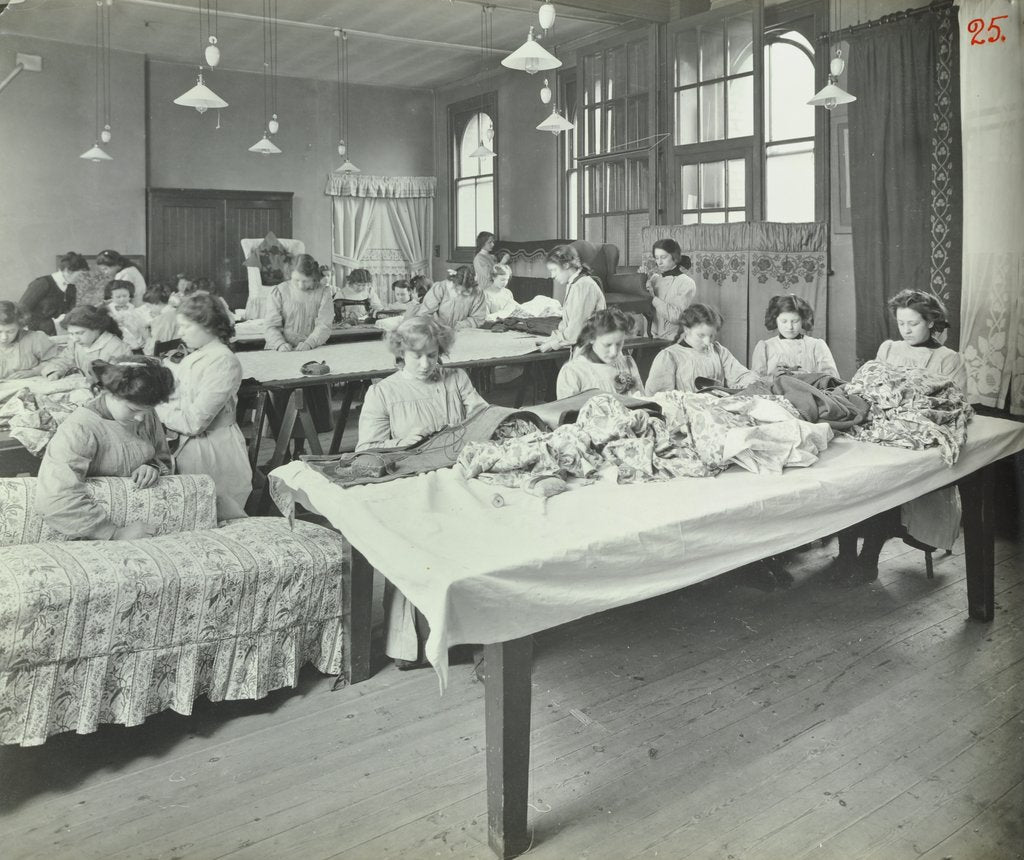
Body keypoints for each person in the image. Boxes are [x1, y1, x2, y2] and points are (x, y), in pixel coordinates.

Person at [358, 316, 488, 669]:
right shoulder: (383, 392)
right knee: (419, 553)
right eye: (417, 356)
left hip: (458, 478)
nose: (427, 364)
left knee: (469, 549)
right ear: (400, 353)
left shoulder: (456, 379)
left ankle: (465, 637)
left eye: (433, 355)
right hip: (410, 483)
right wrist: (403, 442)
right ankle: (411, 646)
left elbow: (482, 416)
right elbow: (366, 452)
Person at [830, 289, 968, 584]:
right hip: (879, 428)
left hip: (915, 440)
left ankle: (868, 560)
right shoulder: (889, 349)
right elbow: (871, 387)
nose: (905, 330)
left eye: (913, 323)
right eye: (901, 323)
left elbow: (950, 405)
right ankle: (845, 554)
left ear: (931, 322)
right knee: (850, 478)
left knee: (884, 485)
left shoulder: (948, 359)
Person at [35, 357, 174, 540]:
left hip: (143, 525)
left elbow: (163, 458)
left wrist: (152, 466)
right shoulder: (80, 428)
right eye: (132, 410)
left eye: (146, 410)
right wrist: (113, 533)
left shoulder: (144, 411)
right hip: (93, 533)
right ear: (107, 393)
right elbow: (54, 498)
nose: (141, 419)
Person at [156, 292, 252, 520]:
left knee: (220, 514)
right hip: (190, 446)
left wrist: (154, 407)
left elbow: (194, 422)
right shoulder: (196, 356)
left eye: (186, 327)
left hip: (214, 449)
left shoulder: (223, 361)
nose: (180, 333)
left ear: (208, 326)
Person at [645, 303, 758, 395]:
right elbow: (658, 398)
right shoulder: (669, 357)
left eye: (711, 336)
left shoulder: (718, 351)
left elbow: (743, 376)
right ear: (687, 329)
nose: (708, 342)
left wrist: (748, 383)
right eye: (701, 335)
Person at [556, 307, 646, 399]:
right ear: (591, 339)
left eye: (619, 343)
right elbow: (568, 411)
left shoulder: (627, 364)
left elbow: (641, 400)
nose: (614, 352)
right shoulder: (573, 372)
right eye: (607, 345)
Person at [750, 294, 839, 379]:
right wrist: (772, 377)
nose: (790, 327)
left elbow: (833, 380)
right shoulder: (765, 347)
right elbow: (755, 384)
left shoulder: (816, 346)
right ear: (775, 320)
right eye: (784, 321)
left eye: (795, 321)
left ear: (803, 320)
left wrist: (809, 376)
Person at [538, 245, 606, 352]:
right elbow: (567, 324)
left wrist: (552, 345)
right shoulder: (574, 284)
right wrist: (552, 339)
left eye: (554, 270)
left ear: (566, 265)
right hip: (582, 345)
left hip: (593, 350)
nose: (552, 275)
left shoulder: (584, 285)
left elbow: (577, 328)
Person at [43, 304, 132, 383]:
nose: (75, 339)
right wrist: (55, 371)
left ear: (97, 328)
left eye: (80, 333)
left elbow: (119, 381)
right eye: (71, 334)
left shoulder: (117, 348)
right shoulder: (75, 343)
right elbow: (65, 360)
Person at [264, 253, 334, 352]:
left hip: (311, 348)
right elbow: (271, 325)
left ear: (314, 277)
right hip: (279, 349)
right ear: (290, 275)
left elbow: (324, 325)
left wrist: (310, 343)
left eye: (306, 281)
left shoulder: (323, 293)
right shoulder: (279, 291)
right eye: (296, 280)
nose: (301, 286)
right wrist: (280, 344)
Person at [20, 251, 90, 335]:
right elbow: (21, 311)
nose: (82, 279)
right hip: (36, 334)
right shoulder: (42, 283)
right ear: (68, 271)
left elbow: (70, 312)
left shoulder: (71, 288)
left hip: (59, 334)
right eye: (80, 275)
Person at [646, 239, 697, 340]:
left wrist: (653, 298)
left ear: (675, 257)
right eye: (656, 258)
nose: (659, 262)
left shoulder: (686, 282)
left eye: (663, 257)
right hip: (650, 337)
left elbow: (676, 316)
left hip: (674, 339)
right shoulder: (654, 279)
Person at [0, 301, 59, 380]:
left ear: (20, 326)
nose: (4, 337)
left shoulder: (35, 339)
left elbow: (58, 360)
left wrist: (34, 371)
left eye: (11, 331)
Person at [415, 265, 486, 330]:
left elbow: (478, 318)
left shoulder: (477, 293)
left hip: (463, 332)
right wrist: (436, 326)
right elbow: (424, 314)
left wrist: (461, 325)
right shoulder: (440, 288)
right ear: (453, 281)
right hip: (438, 331)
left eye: (464, 292)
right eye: (457, 290)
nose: (459, 293)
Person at [104, 280, 149, 352]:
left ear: (129, 296)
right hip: (118, 334)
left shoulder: (131, 307)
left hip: (133, 332)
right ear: (111, 297)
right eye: (118, 297)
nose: (122, 299)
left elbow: (138, 322)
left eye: (125, 296)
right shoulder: (109, 309)